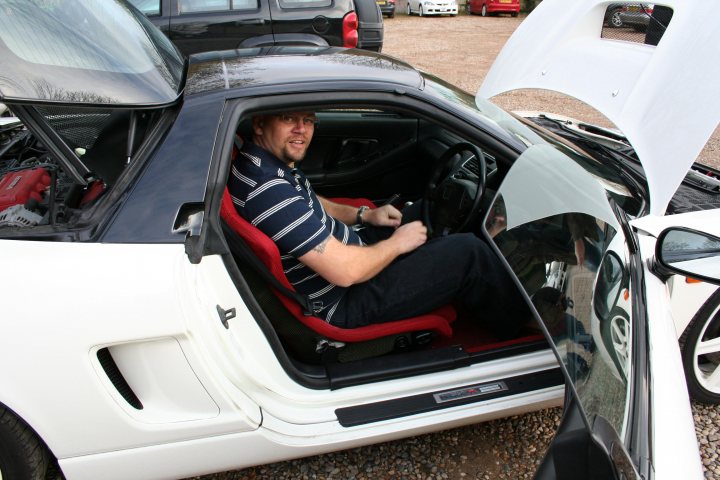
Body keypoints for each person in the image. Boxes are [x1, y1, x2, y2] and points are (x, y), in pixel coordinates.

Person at [228, 111, 528, 338]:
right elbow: (346, 272)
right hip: (345, 300)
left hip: (351, 248)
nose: (301, 130)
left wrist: (364, 215)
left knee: (433, 208)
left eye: (307, 121)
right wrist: (397, 244)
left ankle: (492, 272)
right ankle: (521, 323)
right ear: (259, 124)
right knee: (468, 253)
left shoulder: (264, 164)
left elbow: (311, 202)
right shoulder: (268, 191)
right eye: (288, 119)